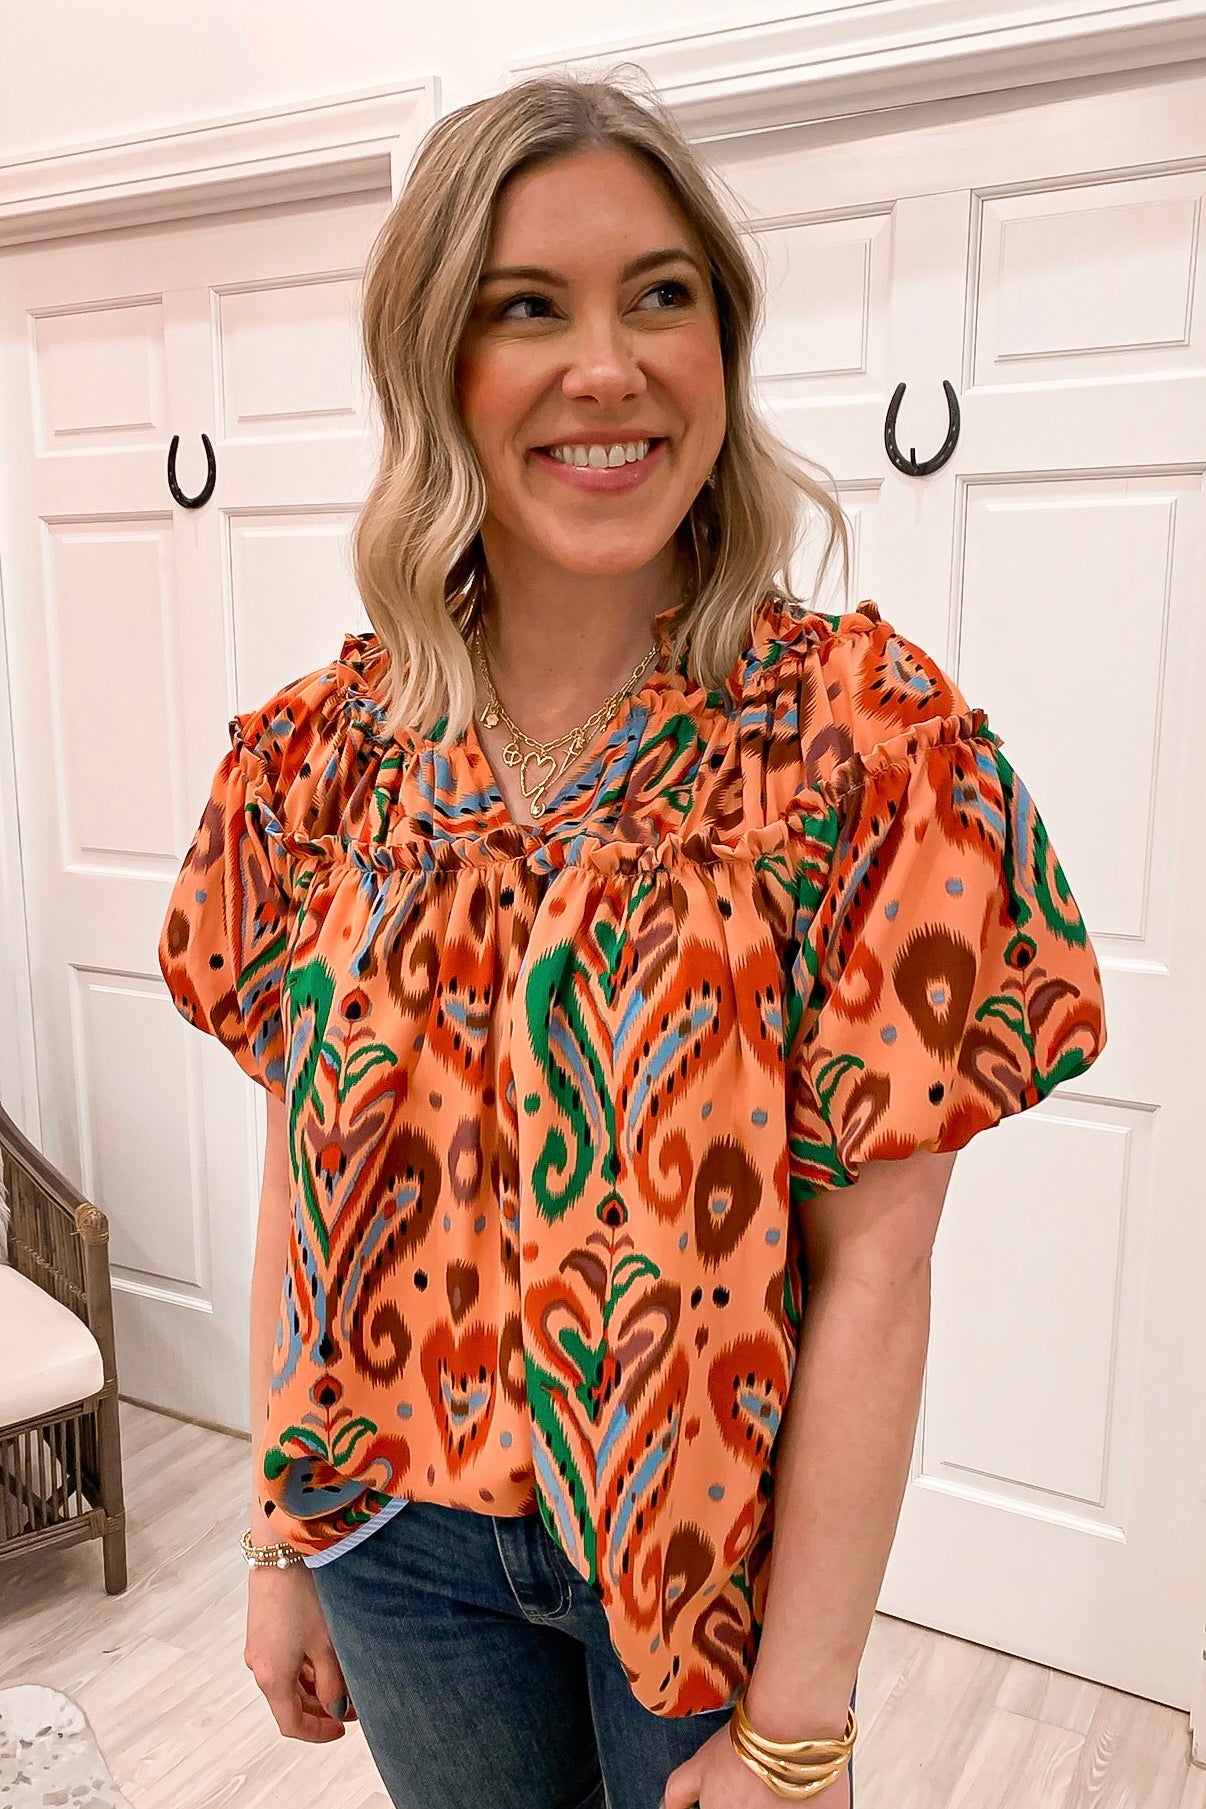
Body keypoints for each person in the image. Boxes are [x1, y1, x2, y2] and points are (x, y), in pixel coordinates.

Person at [157, 70, 1108, 1809]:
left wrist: (796, 1729)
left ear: (720, 343)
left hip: (710, 1564)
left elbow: (876, 1273)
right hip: (394, 1543)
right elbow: (305, 1168)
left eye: (658, 295)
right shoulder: (320, 761)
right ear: (433, 363)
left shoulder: (859, 750)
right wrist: (281, 1529)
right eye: (527, 307)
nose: (606, 367)